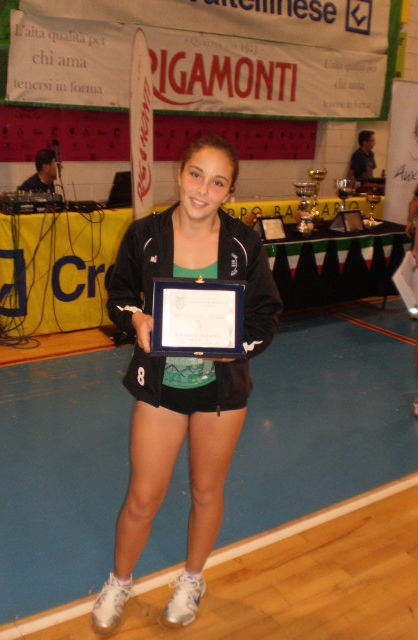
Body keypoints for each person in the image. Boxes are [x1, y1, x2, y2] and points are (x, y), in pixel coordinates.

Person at [91, 134, 282, 635]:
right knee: (143, 497)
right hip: (161, 390)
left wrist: (235, 348)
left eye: (218, 182)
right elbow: (118, 294)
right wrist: (136, 320)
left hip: (222, 393)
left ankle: (192, 579)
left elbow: (265, 315)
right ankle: (119, 581)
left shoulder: (244, 243)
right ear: (179, 174)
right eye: (196, 175)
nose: (203, 189)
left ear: (229, 192)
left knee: (206, 490)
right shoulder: (145, 235)